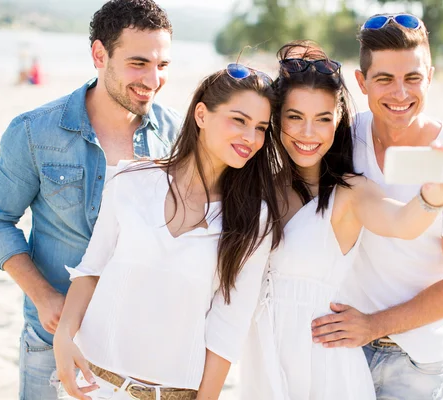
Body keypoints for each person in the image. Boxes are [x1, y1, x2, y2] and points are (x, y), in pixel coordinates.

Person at [0, 1, 180, 398]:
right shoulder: (34, 132)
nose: (153, 79)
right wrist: (43, 296)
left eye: (163, 65)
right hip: (50, 340)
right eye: (138, 63)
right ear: (99, 55)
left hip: (139, 344)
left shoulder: (177, 136)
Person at [239, 40, 443, 399]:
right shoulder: (262, 187)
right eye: (295, 117)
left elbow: (402, 223)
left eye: (323, 119)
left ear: (339, 119)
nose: (308, 133)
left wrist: (433, 195)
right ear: (276, 118)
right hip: (263, 360)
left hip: (322, 366)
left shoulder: (350, 192)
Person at [54, 64, 282, 400]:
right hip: (92, 385)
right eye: (239, 120)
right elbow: (91, 270)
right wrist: (63, 336)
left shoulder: (254, 220)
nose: (251, 138)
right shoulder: (129, 179)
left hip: (173, 393)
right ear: (201, 115)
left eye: (261, 128)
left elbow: (228, 325)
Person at [311, 14, 443, 399]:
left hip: (418, 361)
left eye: (412, 78)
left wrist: (373, 325)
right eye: (385, 79)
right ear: (361, 82)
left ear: (429, 76)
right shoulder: (340, 141)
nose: (400, 93)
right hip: (340, 347)